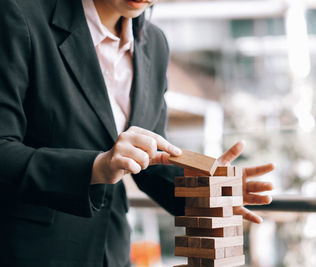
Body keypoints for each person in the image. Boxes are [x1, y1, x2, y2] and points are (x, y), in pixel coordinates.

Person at [0, 0, 274, 266]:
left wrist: (210, 191)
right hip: (30, 251)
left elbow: (151, 162)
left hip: (113, 251)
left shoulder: (154, 44)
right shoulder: (19, 15)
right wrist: (96, 167)